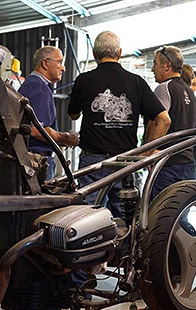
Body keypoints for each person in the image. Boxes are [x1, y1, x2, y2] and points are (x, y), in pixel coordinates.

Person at [68, 31, 170, 216]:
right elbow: (164, 120)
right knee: (126, 219)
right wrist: (145, 152)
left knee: (85, 219)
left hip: (93, 162)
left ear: (94, 54)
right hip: (125, 161)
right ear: (119, 53)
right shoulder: (136, 82)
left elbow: (73, 115)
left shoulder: (84, 80)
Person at [18, 45, 79, 179]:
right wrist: (64, 137)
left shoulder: (32, 84)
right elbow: (36, 130)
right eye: (60, 62)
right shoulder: (39, 87)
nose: (63, 68)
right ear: (45, 63)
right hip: (36, 161)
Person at [150, 45, 196, 200]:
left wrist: (148, 151)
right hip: (188, 164)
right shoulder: (189, 92)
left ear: (167, 66)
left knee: (158, 215)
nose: (152, 69)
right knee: (180, 215)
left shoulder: (163, 88)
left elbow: (161, 121)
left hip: (168, 165)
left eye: (155, 64)